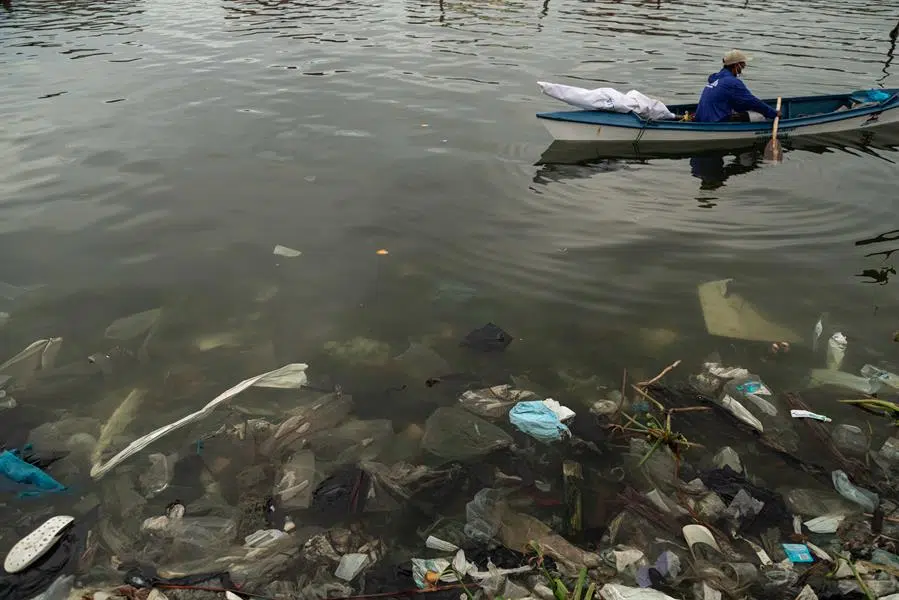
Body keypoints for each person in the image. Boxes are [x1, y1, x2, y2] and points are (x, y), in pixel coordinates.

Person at [694, 50, 779, 122]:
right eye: (742, 64)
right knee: (760, 116)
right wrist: (774, 113)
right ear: (736, 65)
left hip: (701, 118)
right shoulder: (733, 82)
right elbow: (753, 102)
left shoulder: (716, 78)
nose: (744, 66)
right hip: (717, 121)